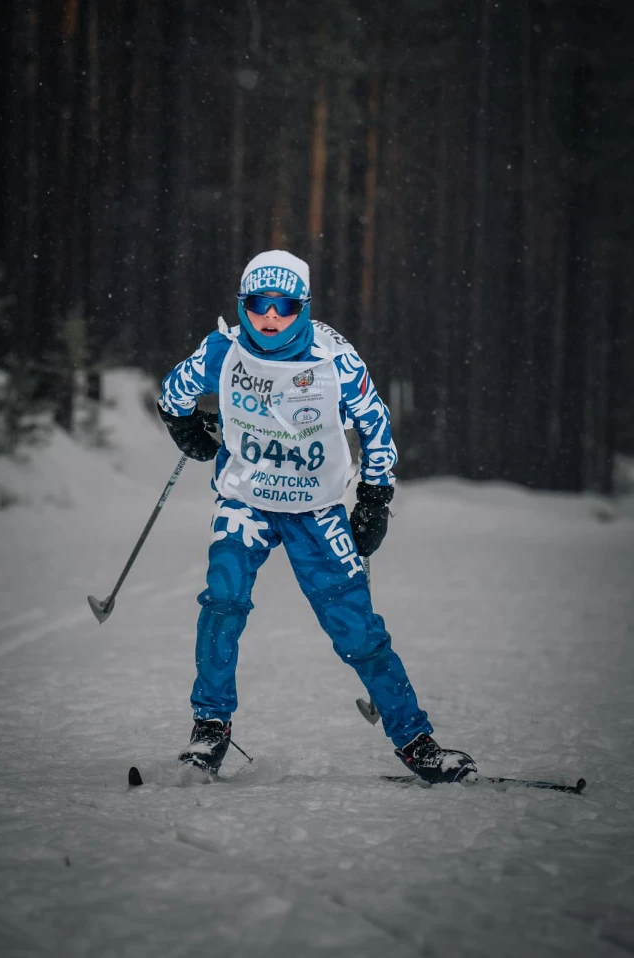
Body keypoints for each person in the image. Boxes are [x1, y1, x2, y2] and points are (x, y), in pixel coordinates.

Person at [157, 250, 476, 784]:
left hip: (315, 507)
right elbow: (173, 392)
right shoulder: (223, 351)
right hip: (245, 499)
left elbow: (375, 423)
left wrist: (375, 495)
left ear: (303, 306)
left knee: (356, 628)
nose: (270, 317)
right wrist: (183, 425)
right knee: (223, 601)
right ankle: (210, 725)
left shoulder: (335, 360)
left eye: (284, 306)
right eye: (258, 304)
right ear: (242, 304)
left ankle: (416, 741)